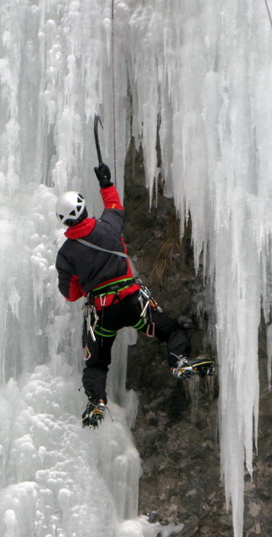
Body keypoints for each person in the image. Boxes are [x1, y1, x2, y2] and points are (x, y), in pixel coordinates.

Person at [55, 162, 214, 428]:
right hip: (133, 302)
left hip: (102, 315)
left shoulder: (65, 255)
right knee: (172, 331)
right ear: (83, 207)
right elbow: (115, 207)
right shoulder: (108, 226)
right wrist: (105, 183)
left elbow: (70, 294)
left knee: (96, 363)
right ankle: (179, 360)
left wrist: (87, 281)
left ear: (64, 220)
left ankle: (96, 400)